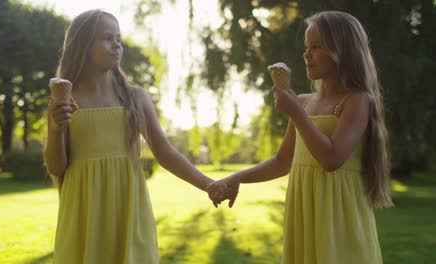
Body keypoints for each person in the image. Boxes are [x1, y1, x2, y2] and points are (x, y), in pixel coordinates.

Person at [208, 11, 393, 264]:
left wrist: (295, 111)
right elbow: (282, 162)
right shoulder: (305, 102)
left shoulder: (357, 100)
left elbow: (331, 158)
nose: (307, 54)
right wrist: (236, 178)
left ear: (342, 51)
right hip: (305, 215)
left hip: (338, 220)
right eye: (307, 47)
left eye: (316, 47)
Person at [43, 9, 225, 263]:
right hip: (83, 211)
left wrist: (207, 183)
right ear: (83, 45)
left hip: (127, 208)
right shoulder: (65, 99)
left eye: (118, 38)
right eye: (107, 38)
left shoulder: (134, 97)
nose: (117, 44)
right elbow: (56, 166)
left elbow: (166, 153)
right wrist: (54, 127)